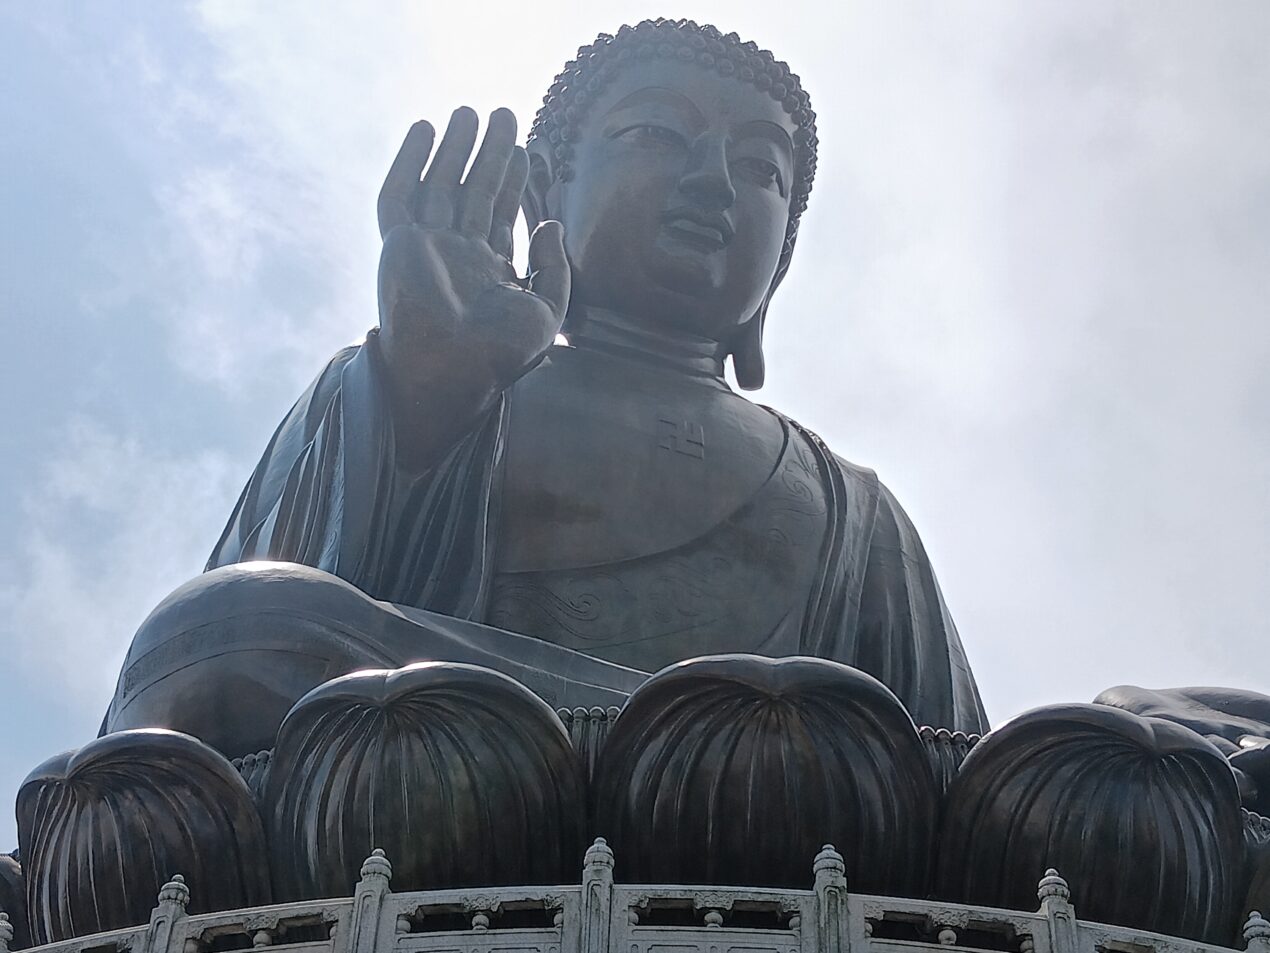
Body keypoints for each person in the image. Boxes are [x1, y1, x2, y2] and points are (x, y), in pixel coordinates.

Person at [106, 19, 988, 760]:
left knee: (1095, 769)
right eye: (659, 134)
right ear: (545, 191)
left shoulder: (854, 509)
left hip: (773, 792)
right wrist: (429, 398)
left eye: (763, 169)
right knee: (236, 628)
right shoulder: (404, 383)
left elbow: (954, 771)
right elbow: (221, 675)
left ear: (783, 256)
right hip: (448, 748)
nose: (716, 180)